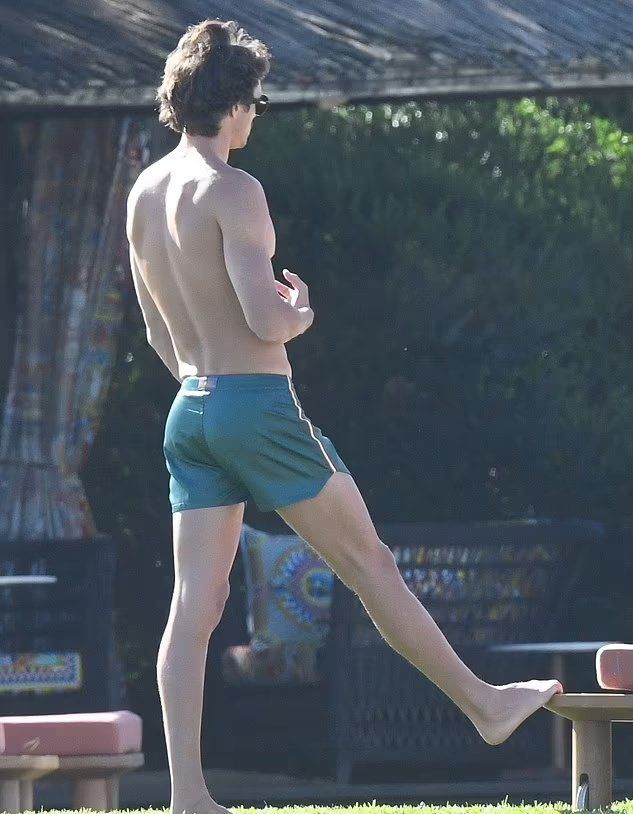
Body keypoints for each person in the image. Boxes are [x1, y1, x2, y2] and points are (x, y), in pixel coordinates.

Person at [126, 18, 563, 814]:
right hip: (256, 407)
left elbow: (158, 331)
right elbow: (263, 322)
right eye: (255, 99)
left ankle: (187, 794)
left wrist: (210, 388)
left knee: (194, 606)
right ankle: (486, 705)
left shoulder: (144, 193)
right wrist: (299, 312)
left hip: (189, 410)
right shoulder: (235, 190)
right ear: (232, 100)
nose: (256, 115)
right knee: (371, 567)